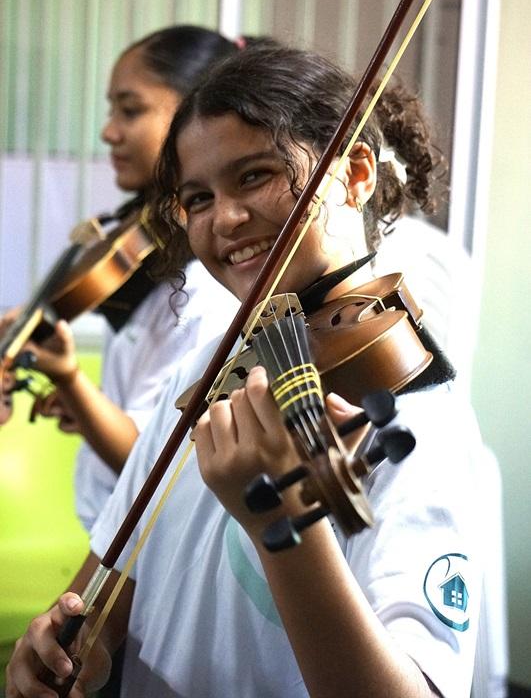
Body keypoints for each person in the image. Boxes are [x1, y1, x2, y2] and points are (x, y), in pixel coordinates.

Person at [6, 44, 483, 698]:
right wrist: (64, 644)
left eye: (254, 176)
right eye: (197, 198)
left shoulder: (414, 413)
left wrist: (283, 526)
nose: (224, 219)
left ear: (355, 174)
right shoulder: (207, 373)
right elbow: (111, 588)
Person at [1, 25, 240, 532]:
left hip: (144, 549)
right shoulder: (154, 268)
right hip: (113, 537)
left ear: (193, 114)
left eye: (130, 110)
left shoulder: (207, 289)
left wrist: (69, 378)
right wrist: (81, 402)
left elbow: (157, 466)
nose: (109, 131)